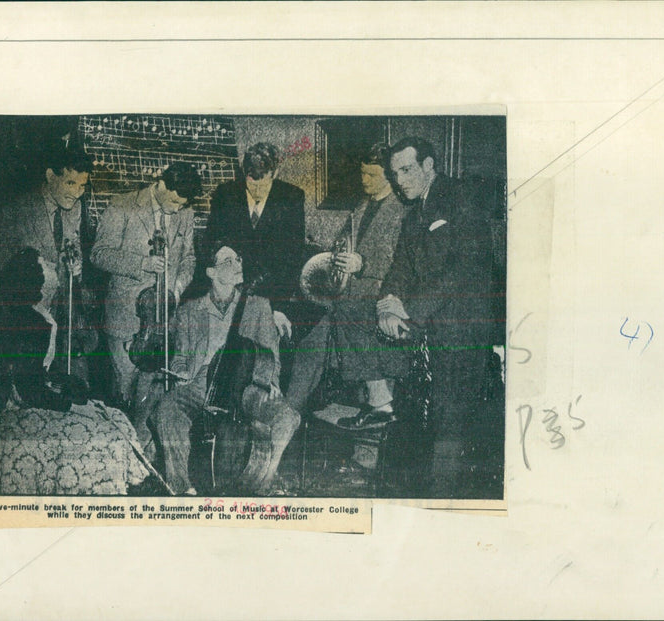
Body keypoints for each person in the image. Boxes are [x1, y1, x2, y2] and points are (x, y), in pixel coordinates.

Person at [290, 137, 496, 497]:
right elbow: (401, 265)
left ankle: (440, 500)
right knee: (349, 312)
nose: (400, 180)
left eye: (407, 170)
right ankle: (381, 403)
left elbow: (462, 271)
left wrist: (408, 309)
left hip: (459, 327)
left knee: (448, 423)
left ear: (429, 165)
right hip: (421, 324)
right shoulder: (415, 209)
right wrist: (388, 302)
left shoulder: (460, 197)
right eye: (395, 172)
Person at [0, 248, 149, 495]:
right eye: (46, 264)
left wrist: (75, 393)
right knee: (107, 431)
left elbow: (35, 374)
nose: (53, 264)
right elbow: (28, 391)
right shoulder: (34, 322)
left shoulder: (34, 315)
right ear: (35, 279)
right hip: (11, 413)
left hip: (24, 402)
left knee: (112, 417)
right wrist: (78, 408)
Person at [286, 143, 410, 467]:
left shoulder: (401, 211)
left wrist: (363, 263)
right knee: (307, 352)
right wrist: (337, 257)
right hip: (346, 304)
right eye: (362, 174)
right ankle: (283, 425)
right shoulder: (361, 207)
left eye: (371, 174)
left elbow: (403, 264)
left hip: (377, 305)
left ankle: (366, 462)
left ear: (389, 176)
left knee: (376, 388)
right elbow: (340, 245)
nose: (365, 180)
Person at [141, 246, 297, 495]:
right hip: (201, 383)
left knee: (287, 418)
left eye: (238, 258)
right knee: (166, 409)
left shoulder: (259, 306)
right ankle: (181, 488)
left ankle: (261, 482)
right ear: (211, 272)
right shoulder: (189, 310)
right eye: (228, 261)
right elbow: (180, 357)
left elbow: (271, 354)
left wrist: (272, 383)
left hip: (246, 383)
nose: (237, 264)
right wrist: (180, 374)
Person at [0, 145, 97, 383]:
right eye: (70, 183)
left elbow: (71, 251)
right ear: (50, 175)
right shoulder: (15, 212)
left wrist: (75, 268)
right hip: (27, 328)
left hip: (65, 321)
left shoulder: (75, 209)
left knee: (77, 389)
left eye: (82, 185)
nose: (77, 193)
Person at [91, 162, 201, 404]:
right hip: (127, 320)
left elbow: (189, 258)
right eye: (173, 202)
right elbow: (99, 254)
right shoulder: (123, 205)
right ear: (160, 184)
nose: (176, 210)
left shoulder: (185, 214)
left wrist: (176, 289)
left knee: (152, 398)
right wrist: (142, 263)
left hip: (164, 323)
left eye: (182, 205)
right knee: (124, 394)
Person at [203, 142, 306, 342]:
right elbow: (210, 244)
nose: (257, 191)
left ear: (275, 173)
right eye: (251, 184)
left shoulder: (291, 197)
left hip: (270, 295)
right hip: (228, 295)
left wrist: (277, 308)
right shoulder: (225, 195)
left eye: (263, 185)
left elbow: (292, 258)